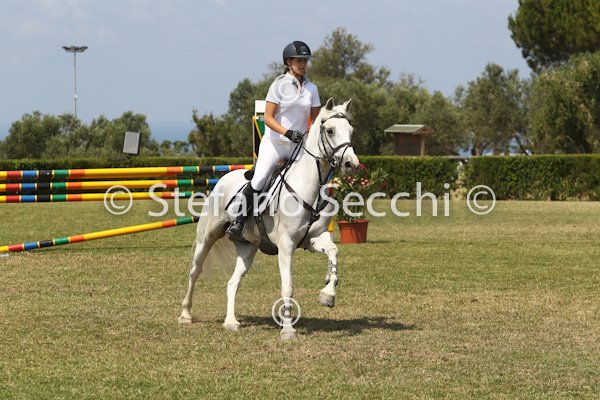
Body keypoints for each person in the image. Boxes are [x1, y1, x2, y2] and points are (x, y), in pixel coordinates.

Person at [226, 40, 321, 241]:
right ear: (288, 62)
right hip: (275, 145)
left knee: (313, 177)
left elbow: (315, 120)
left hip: (298, 148)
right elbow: (268, 118)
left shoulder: (312, 89)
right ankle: (239, 221)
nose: (302, 64)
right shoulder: (278, 85)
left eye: (305, 60)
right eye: (298, 60)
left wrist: (310, 137)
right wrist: (287, 133)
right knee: (260, 179)